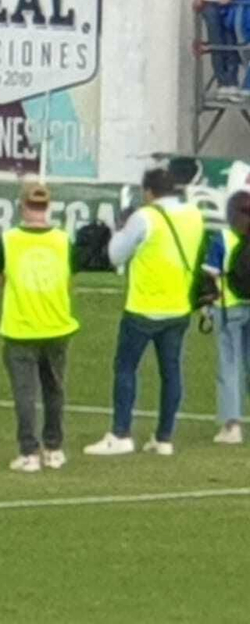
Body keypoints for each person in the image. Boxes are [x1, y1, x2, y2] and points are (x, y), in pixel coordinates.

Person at [85, 168, 204, 458]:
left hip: (143, 306)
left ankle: (121, 433)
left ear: (149, 192)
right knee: (171, 372)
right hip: (178, 306)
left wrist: (120, 229)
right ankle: (164, 437)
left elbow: (115, 255)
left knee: (126, 369)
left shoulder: (145, 217)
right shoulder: (193, 215)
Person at [0, 183, 80, 473]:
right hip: (57, 324)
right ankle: (53, 448)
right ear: (48, 207)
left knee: (25, 393)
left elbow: (1, 278)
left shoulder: (9, 240)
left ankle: (29, 451)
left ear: (22, 206)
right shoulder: (62, 240)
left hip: (20, 327)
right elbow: (69, 280)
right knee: (54, 390)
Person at [206, 191, 250, 445]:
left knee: (230, 366)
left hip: (229, 307)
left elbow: (209, 275)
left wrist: (205, 305)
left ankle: (232, 425)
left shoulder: (222, 237)